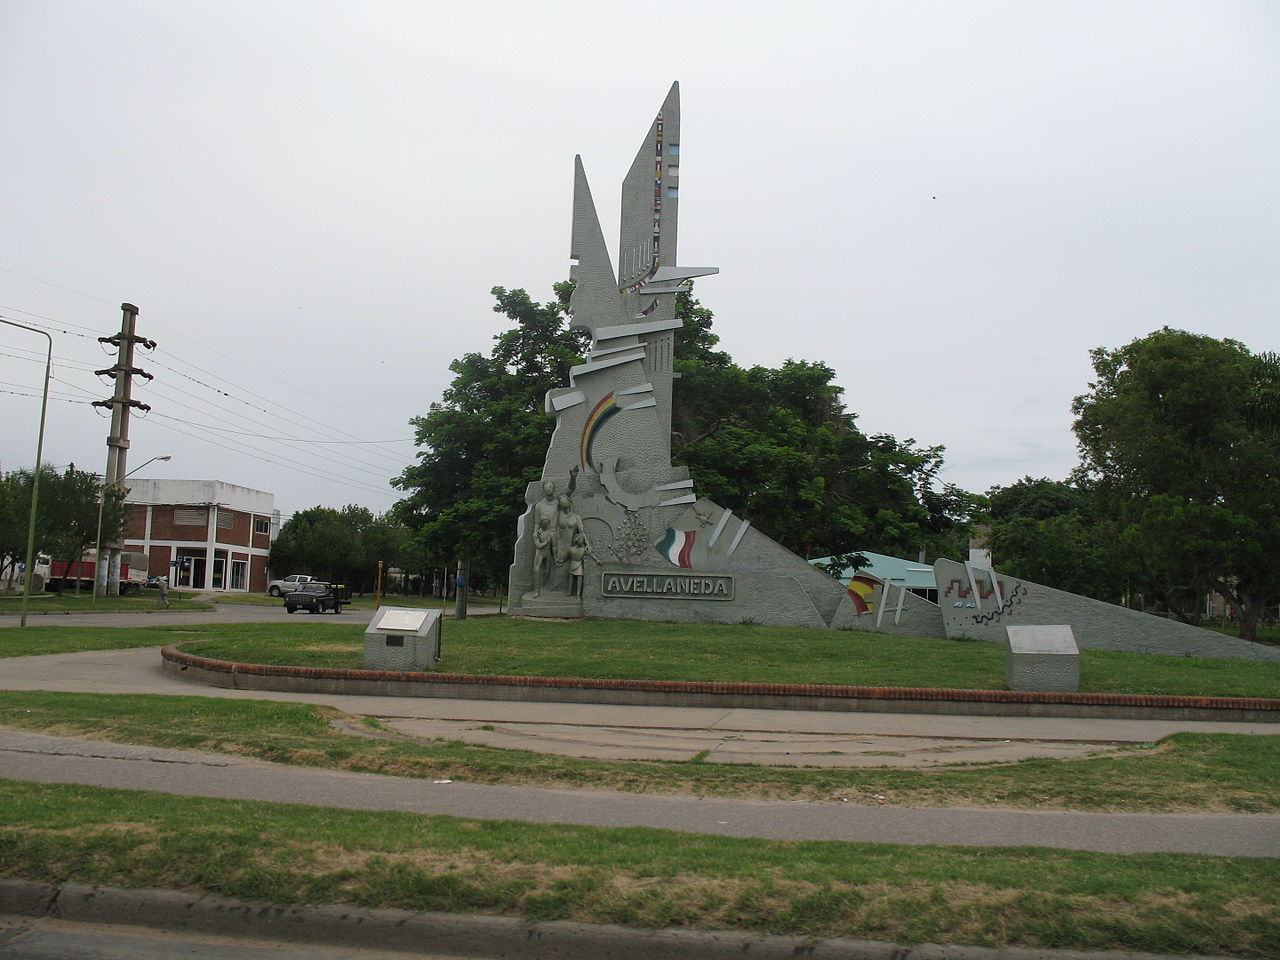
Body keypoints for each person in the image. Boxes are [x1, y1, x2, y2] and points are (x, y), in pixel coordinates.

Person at [566, 532, 598, 598]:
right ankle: (569, 592)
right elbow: (566, 557)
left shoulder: (583, 550)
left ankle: (578, 594)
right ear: (576, 540)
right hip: (572, 564)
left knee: (579, 578)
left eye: (582, 540)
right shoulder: (571, 549)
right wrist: (560, 561)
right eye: (580, 540)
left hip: (579, 565)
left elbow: (591, 554)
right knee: (570, 580)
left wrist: (597, 560)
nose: (581, 541)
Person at [531, 516, 554, 597]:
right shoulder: (537, 534)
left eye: (547, 522)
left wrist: (555, 557)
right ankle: (536, 590)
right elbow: (538, 545)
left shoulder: (550, 533)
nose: (545, 524)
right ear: (541, 523)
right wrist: (546, 542)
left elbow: (553, 546)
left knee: (547, 571)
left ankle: (543, 586)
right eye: (544, 522)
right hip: (540, 553)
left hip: (548, 553)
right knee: (536, 570)